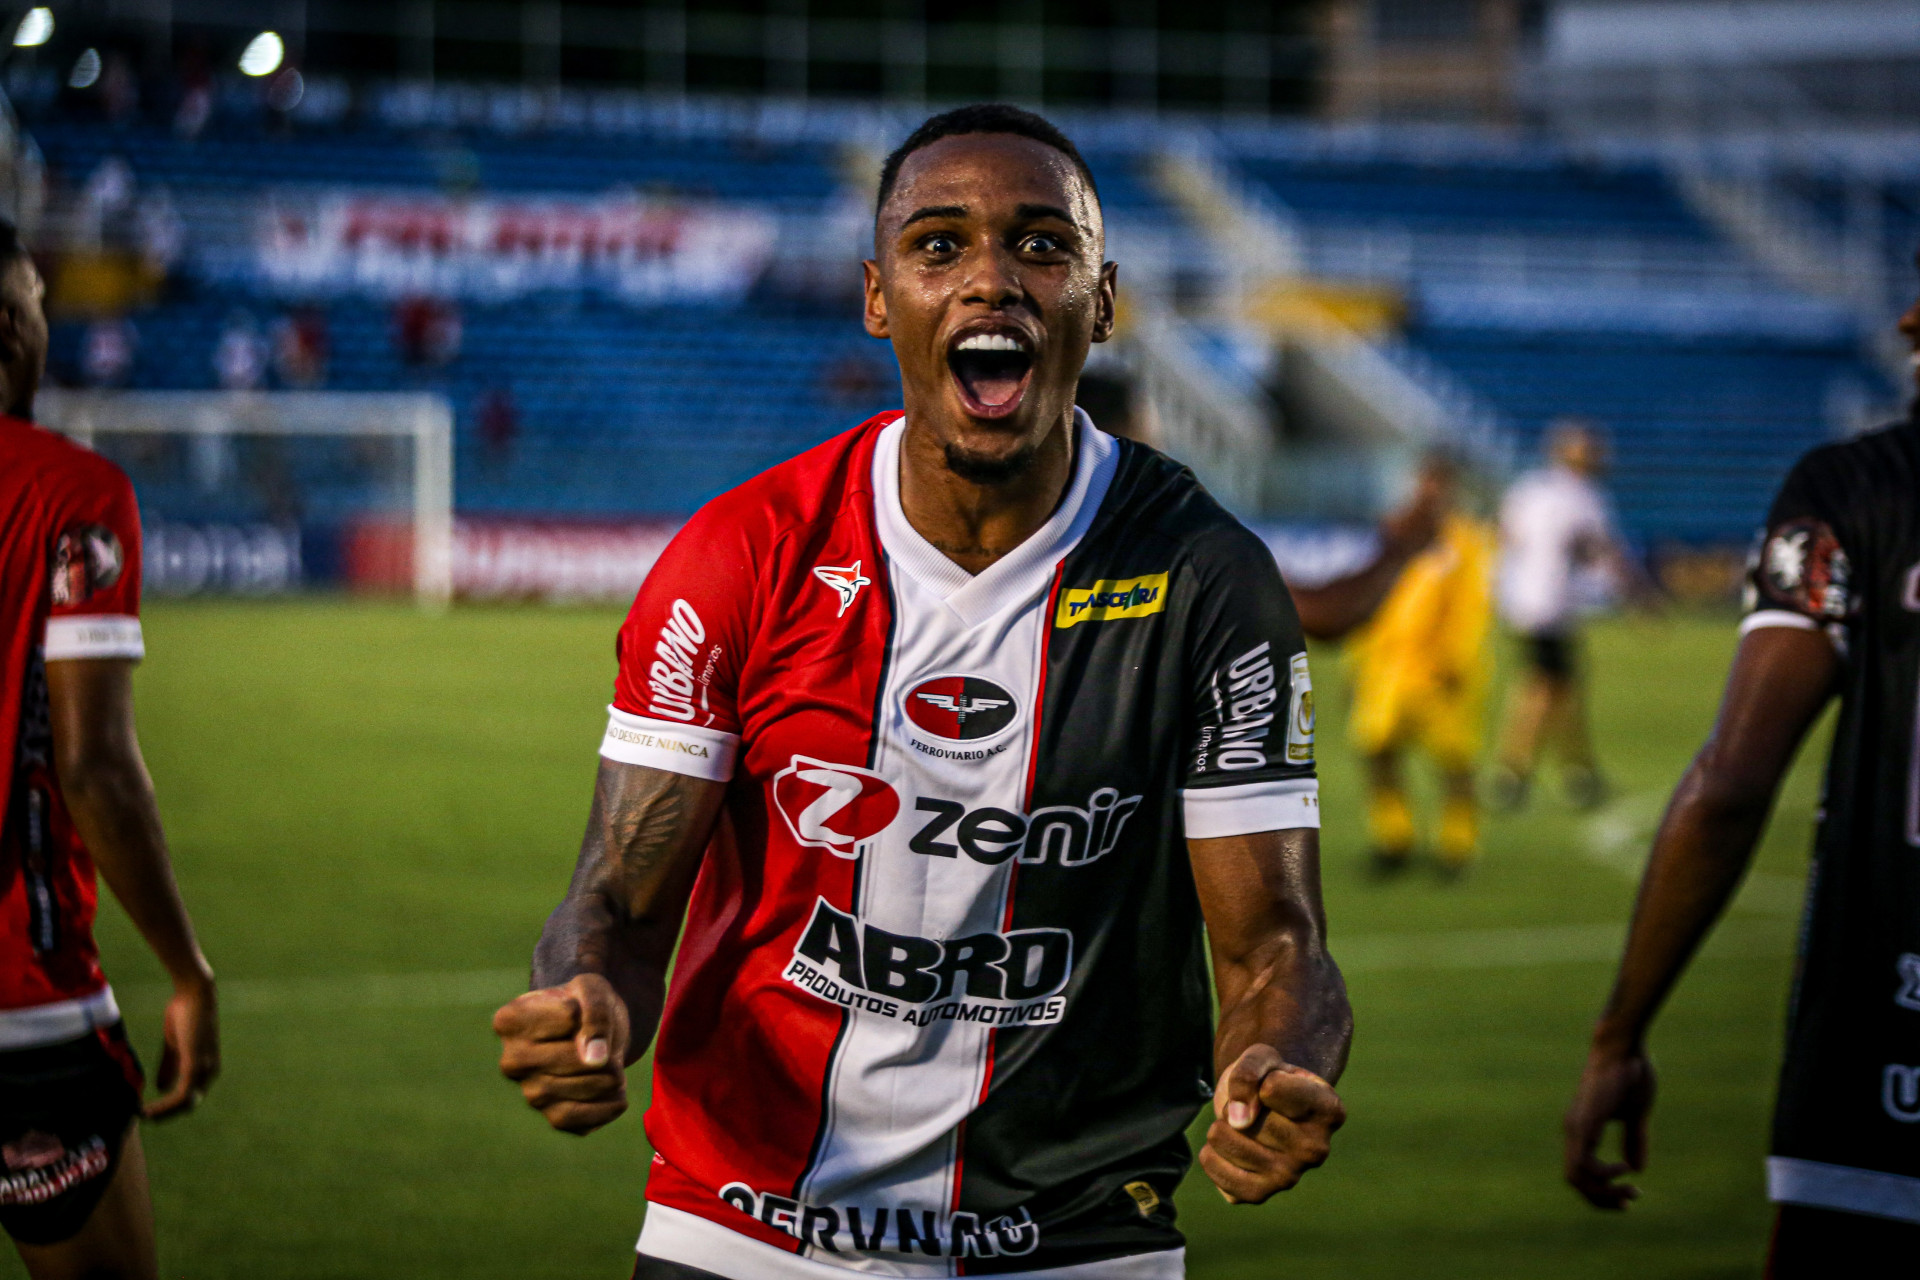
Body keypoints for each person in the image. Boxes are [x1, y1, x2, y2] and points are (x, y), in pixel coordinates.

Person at [494, 104, 1350, 1279]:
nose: (991, 280)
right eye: (938, 245)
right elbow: (618, 906)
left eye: (1044, 246)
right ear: (877, 296)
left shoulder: (1205, 579)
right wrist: (585, 1000)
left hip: (1077, 1244)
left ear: (1102, 301)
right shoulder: (742, 556)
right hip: (745, 1231)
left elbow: (1272, 945)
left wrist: (1281, 1057)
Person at [1563, 259, 1920, 1275]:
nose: (1904, 317)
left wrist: (1619, 1032)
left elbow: (1731, 781)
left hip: (1887, 1068)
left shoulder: (1858, 489)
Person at [0, 221, 219, 1277]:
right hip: (23, 1000)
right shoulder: (67, 491)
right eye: (42, 300)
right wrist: (186, 966)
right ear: (11, 326)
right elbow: (92, 766)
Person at [1344, 454, 1495, 875]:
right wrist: (1356, 662)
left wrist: (1458, 659)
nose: (1431, 489)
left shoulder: (1465, 538)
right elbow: (1371, 596)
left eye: (1440, 482)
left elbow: (1473, 604)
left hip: (1438, 669)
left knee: (1454, 760)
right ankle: (1393, 837)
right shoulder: (1393, 531)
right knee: (1377, 752)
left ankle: (1457, 844)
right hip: (1387, 667)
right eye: (1426, 480)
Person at [1490, 418, 1635, 811]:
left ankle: (1576, 772)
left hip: (1521, 600)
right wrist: (1636, 597)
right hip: (1552, 604)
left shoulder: (1528, 488)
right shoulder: (1585, 497)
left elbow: (1505, 536)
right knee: (1543, 688)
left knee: (1560, 687)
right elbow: (1600, 549)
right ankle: (1514, 774)